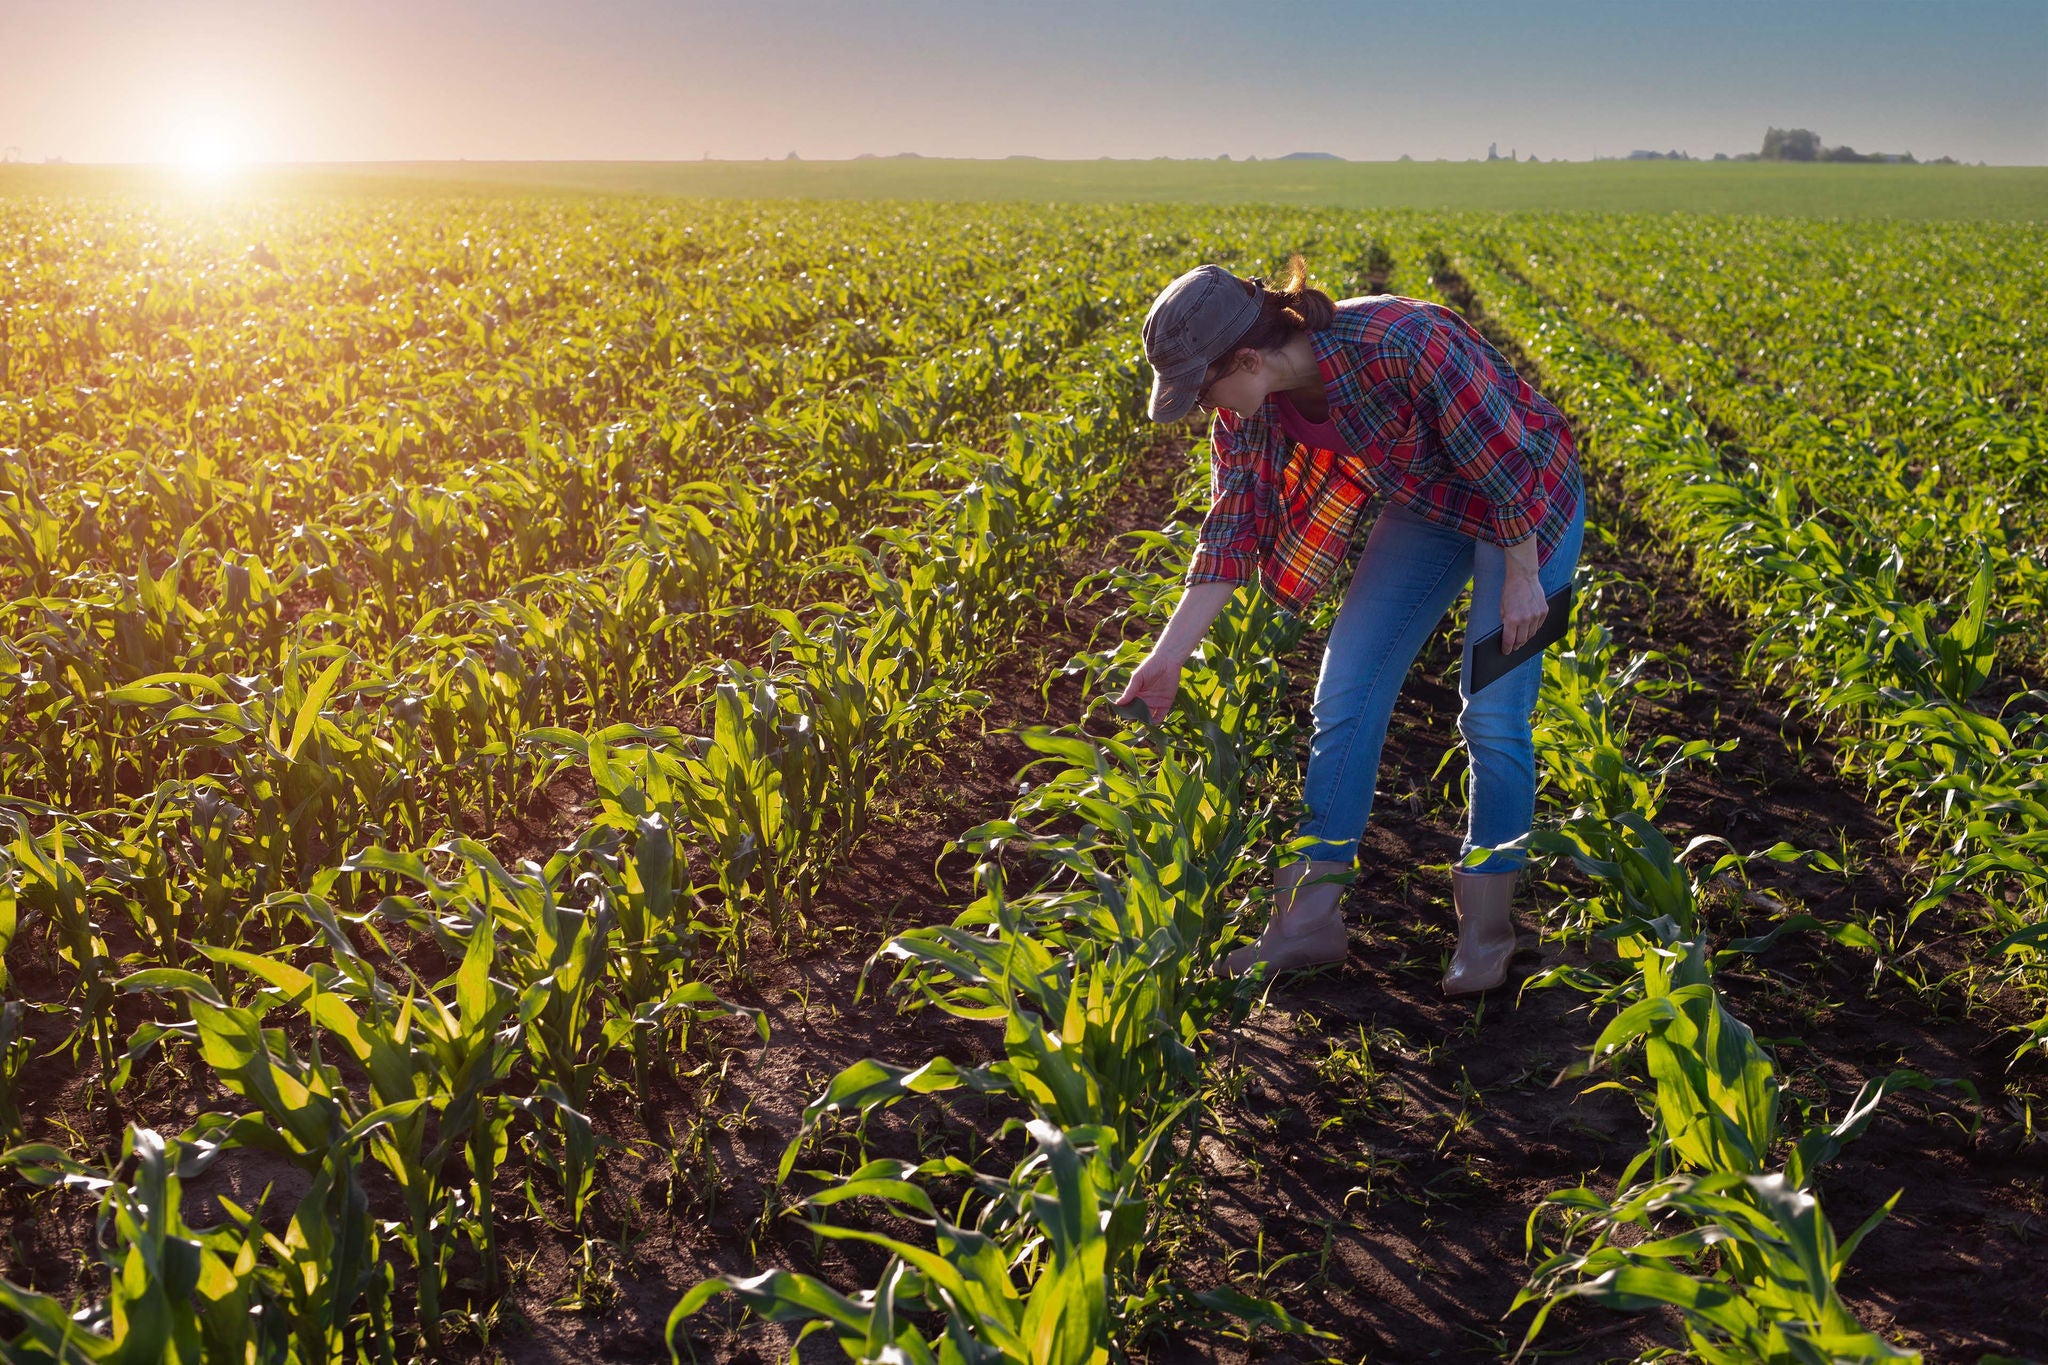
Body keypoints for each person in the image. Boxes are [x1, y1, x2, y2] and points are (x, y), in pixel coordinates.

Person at [1115, 257, 1585, 996]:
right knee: (1345, 689)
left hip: (1527, 502)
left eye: (1204, 390)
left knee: (1492, 713)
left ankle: (1488, 930)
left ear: (1246, 358)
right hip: (1428, 505)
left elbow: (1505, 461)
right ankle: (1308, 923)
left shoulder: (1403, 340)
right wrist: (1166, 656)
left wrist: (1524, 577)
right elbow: (1231, 533)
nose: (1208, 408)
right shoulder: (1251, 411)